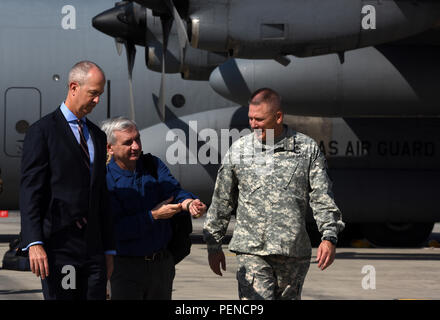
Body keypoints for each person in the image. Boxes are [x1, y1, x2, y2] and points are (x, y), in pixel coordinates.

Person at [203, 88, 345, 300]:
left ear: (278, 117)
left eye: (259, 119)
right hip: (252, 251)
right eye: (250, 118)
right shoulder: (239, 150)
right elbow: (222, 200)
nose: (252, 124)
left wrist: (329, 237)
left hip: (293, 253)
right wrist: (213, 245)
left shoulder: (306, 149)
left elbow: (322, 196)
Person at [19, 61, 115, 300]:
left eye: (100, 95)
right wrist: (34, 242)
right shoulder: (42, 132)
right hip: (60, 247)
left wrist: (109, 249)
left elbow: (101, 194)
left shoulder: (98, 136)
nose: (97, 101)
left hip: (93, 248)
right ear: (74, 87)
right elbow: (31, 191)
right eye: (93, 93)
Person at [101, 116, 207, 300]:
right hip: (125, 268)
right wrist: (154, 216)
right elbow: (114, 229)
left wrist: (189, 203)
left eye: (137, 139)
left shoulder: (152, 165)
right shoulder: (105, 179)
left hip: (161, 266)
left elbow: (174, 191)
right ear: (110, 147)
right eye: (128, 142)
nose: (136, 146)